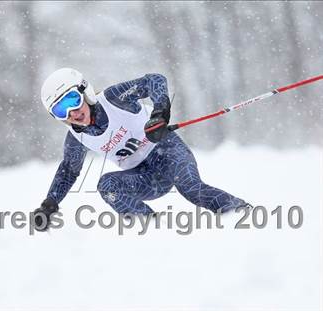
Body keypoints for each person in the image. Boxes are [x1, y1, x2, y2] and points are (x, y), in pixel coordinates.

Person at [34, 68, 248, 231]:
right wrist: (50, 203)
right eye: (61, 110)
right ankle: (155, 232)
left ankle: (242, 213)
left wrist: (160, 112)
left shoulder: (113, 99)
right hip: (145, 177)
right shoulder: (77, 138)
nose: (72, 112)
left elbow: (154, 80)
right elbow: (69, 170)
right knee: (107, 185)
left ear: (85, 92)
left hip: (167, 151)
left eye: (73, 100)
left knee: (191, 188)